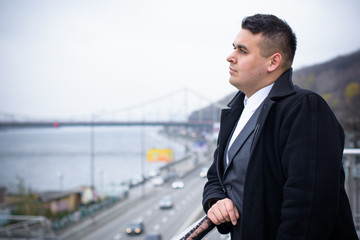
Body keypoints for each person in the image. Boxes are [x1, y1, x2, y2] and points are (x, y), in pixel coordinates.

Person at [202, 13, 358, 239]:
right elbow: (216, 176)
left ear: (273, 62)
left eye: (242, 51)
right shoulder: (236, 112)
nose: (230, 57)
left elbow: (307, 210)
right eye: (233, 47)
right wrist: (216, 201)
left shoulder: (305, 109)